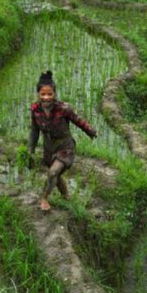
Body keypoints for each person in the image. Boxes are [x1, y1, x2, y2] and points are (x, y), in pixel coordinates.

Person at [28, 70, 97, 211]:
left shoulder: (63, 108)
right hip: (49, 146)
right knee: (56, 175)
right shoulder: (35, 109)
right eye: (43, 94)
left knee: (53, 172)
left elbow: (78, 121)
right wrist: (31, 150)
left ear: (55, 94)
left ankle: (44, 198)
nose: (46, 97)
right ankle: (66, 196)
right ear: (38, 94)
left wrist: (89, 131)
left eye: (49, 94)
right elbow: (34, 131)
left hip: (65, 146)